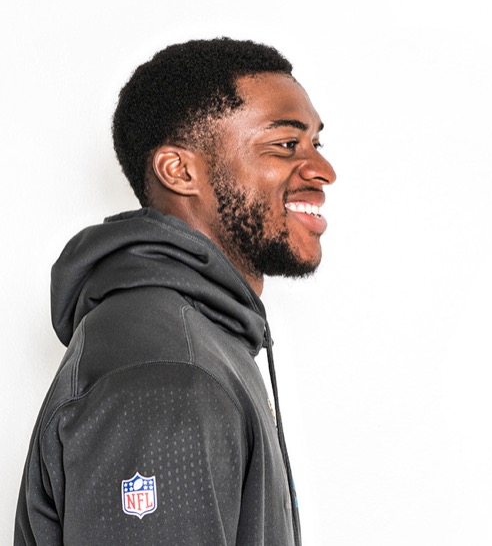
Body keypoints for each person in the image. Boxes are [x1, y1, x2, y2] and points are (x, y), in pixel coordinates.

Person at [15, 38, 335, 545]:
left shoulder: (201, 341)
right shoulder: (166, 373)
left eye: (317, 144)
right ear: (179, 171)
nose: (323, 171)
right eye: (285, 145)